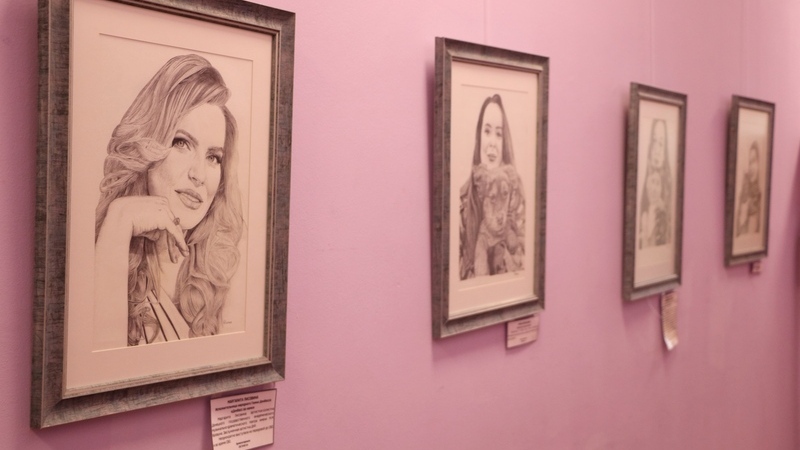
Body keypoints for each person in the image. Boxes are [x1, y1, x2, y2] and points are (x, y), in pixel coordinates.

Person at [94, 54, 244, 348]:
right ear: (147, 147)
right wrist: (119, 221)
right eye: (181, 143)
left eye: (213, 157)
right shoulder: (96, 254)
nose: (199, 175)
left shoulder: (222, 279)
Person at [459, 94, 525, 280]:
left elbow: (525, 264)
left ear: (505, 141)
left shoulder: (517, 193)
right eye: (487, 131)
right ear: (479, 137)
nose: (492, 143)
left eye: (499, 134)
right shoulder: (462, 200)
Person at [638, 118, 672, 248]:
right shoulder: (643, 176)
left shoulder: (668, 184)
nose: (657, 149)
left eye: (661, 143)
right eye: (654, 141)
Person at [735, 141, 762, 236]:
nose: (751, 167)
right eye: (749, 163)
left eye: (753, 161)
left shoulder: (758, 195)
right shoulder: (745, 190)